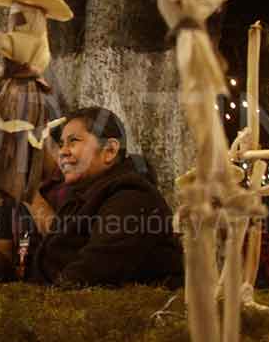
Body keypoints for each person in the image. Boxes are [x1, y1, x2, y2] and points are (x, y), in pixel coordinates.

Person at [25, 107, 182, 286]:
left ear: (110, 150)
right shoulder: (83, 197)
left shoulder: (132, 197)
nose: (62, 152)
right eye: (61, 144)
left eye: (73, 141)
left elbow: (91, 272)